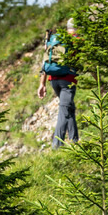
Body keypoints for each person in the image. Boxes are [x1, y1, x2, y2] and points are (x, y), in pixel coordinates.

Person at [37, 18, 79, 149]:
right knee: (64, 111)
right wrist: (99, 82)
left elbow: (45, 62)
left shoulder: (56, 40)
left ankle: (74, 140)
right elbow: (89, 62)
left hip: (53, 80)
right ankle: (57, 145)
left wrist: (42, 84)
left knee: (69, 108)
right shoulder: (76, 40)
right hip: (68, 81)